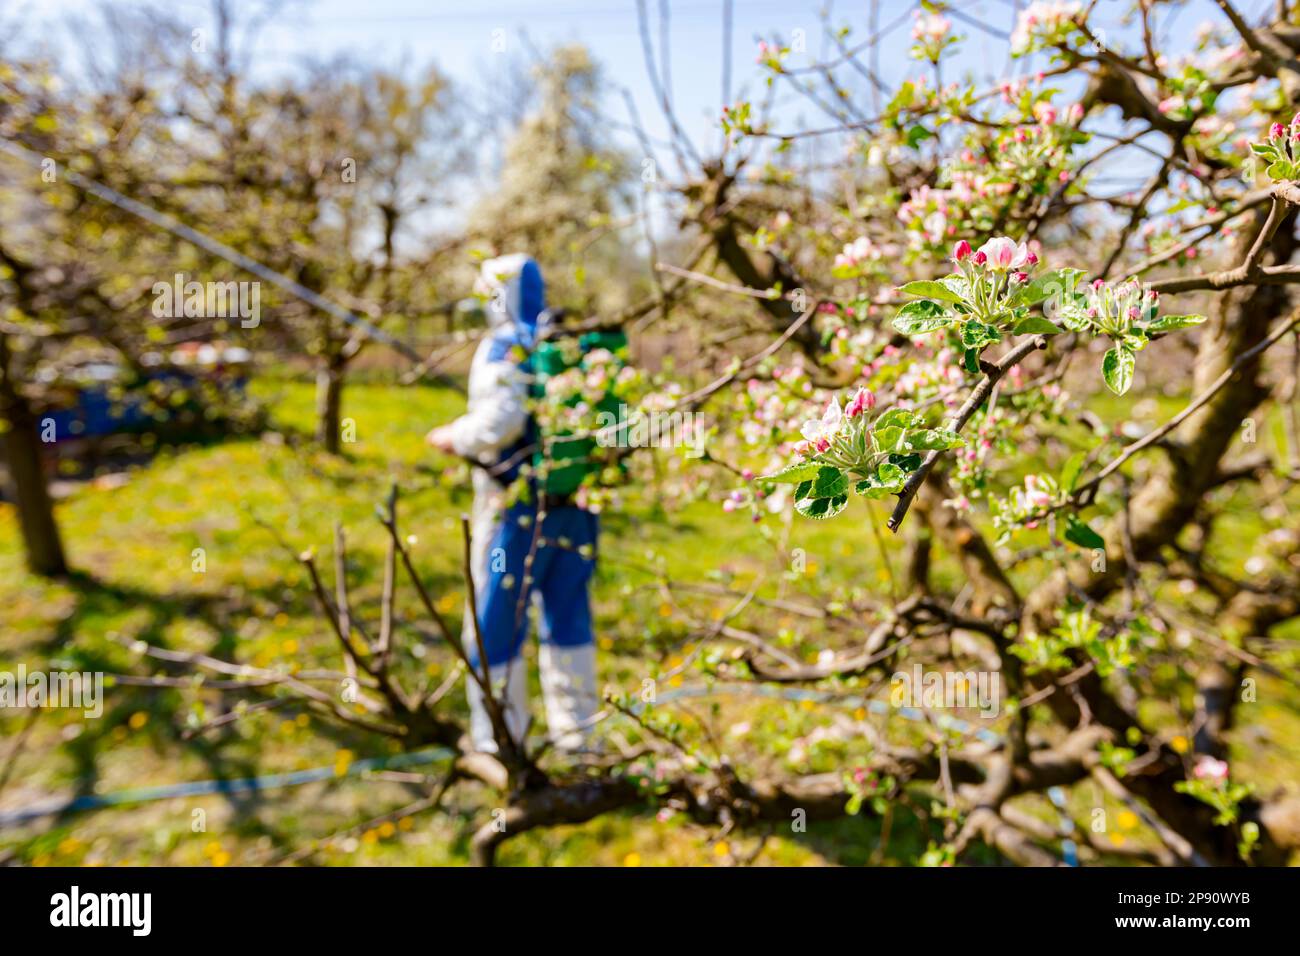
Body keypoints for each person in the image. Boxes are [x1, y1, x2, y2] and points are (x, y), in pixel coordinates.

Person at [426, 254, 599, 754]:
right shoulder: (566, 341)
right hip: (576, 507)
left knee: (494, 622)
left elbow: (500, 421)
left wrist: (453, 435)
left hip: (518, 512)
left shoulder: (506, 344)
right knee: (569, 617)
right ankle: (580, 739)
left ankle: (502, 742)